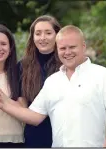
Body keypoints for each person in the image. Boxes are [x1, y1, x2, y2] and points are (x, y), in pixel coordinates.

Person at [0, 25, 106, 147]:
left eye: (72, 47)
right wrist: (3, 103)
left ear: (83, 46)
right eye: (62, 48)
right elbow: (34, 117)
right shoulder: (52, 81)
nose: (67, 52)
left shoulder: (104, 75)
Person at [18, 15, 62, 148]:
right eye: (38, 33)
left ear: (57, 35)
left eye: (48, 33)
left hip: (63, 133)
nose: (43, 38)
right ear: (32, 38)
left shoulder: (66, 64)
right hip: (34, 136)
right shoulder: (22, 66)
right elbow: (20, 101)